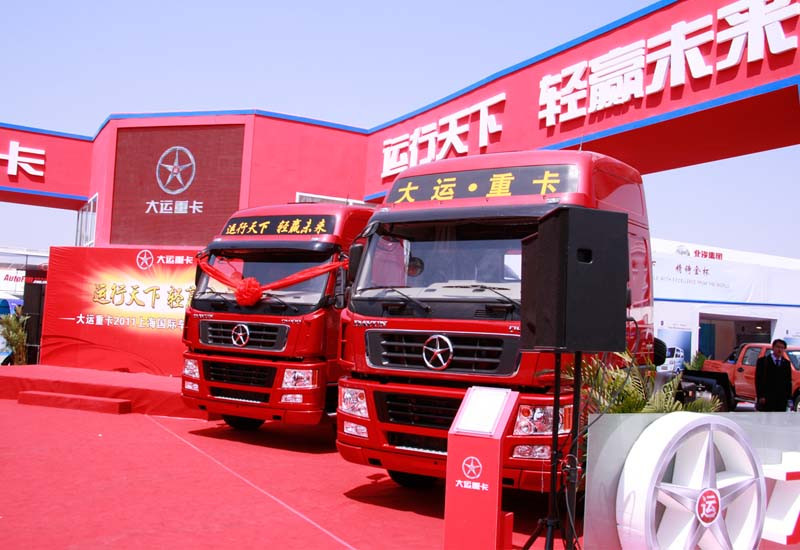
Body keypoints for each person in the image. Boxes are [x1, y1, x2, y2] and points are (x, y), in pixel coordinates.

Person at [755, 339, 792, 411]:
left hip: (781, 398)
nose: (780, 350)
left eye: (782, 348)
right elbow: (758, 380)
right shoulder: (763, 361)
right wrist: (761, 396)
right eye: (778, 347)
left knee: (780, 416)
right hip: (767, 397)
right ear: (773, 347)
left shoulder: (786, 363)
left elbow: (788, 381)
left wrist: (788, 398)